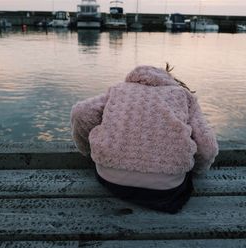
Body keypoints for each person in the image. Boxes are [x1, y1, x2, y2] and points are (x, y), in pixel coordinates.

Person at [70, 64, 218, 213]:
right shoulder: (183, 96)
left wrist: (89, 152)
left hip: (110, 178)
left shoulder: (119, 90)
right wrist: (197, 170)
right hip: (166, 187)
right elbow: (207, 146)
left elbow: (81, 112)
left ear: (136, 77)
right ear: (170, 80)